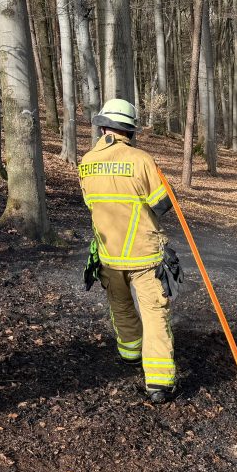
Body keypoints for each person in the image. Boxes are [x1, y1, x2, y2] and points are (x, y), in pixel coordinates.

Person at [79, 99, 182, 404]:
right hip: (145, 256)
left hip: (108, 255)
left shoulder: (86, 162)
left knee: (121, 306)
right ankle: (159, 383)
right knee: (155, 315)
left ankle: (130, 354)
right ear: (130, 130)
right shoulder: (141, 160)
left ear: (103, 128)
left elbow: (91, 204)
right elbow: (163, 205)